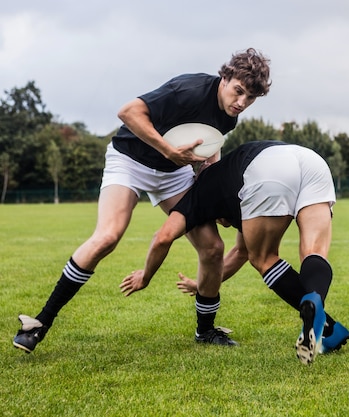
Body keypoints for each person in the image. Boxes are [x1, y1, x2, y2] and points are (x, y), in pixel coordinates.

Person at [13, 48, 272, 353]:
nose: (241, 102)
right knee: (108, 236)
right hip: (130, 161)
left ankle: (206, 331)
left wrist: (209, 175)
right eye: (238, 91)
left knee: (213, 248)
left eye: (250, 98)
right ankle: (40, 323)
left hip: (173, 173)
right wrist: (167, 150)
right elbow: (128, 112)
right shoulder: (188, 90)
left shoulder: (231, 117)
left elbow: (210, 147)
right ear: (224, 78)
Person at [119, 141, 349, 364]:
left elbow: (162, 238)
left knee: (263, 258)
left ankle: (321, 318)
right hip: (309, 161)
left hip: (265, 171)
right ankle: (327, 324)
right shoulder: (231, 175)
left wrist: (145, 276)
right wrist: (202, 284)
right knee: (313, 251)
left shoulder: (197, 194)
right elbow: (240, 251)